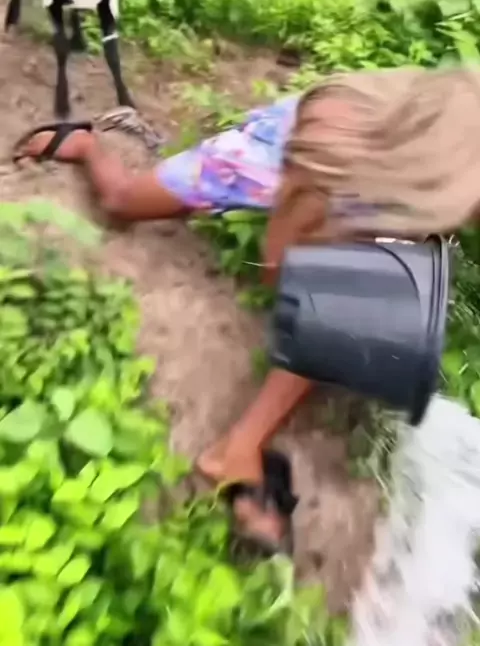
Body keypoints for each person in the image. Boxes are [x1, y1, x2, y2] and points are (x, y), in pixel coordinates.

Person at [13, 64, 480, 555]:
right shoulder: (328, 151)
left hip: (376, 177)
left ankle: (237, 449)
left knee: (342, 305)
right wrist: (336, 291)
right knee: (122, 203)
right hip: (290, 156)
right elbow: (276, 265)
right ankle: (86, 144)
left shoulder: (445, 157)